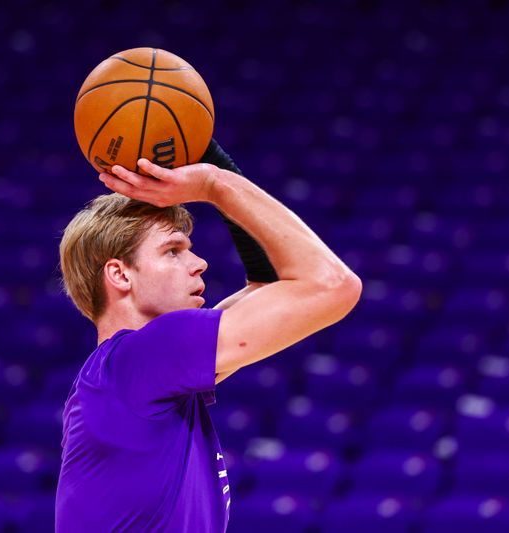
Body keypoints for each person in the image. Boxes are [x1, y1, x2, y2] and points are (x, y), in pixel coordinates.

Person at [54, 140, 362, 532]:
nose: (199, 264)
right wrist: (214, 182)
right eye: (172, 251)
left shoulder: (133, 375)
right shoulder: (143, 357)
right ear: (120, 274)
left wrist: (206, 150)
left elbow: (270, 283)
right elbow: (334, 286)